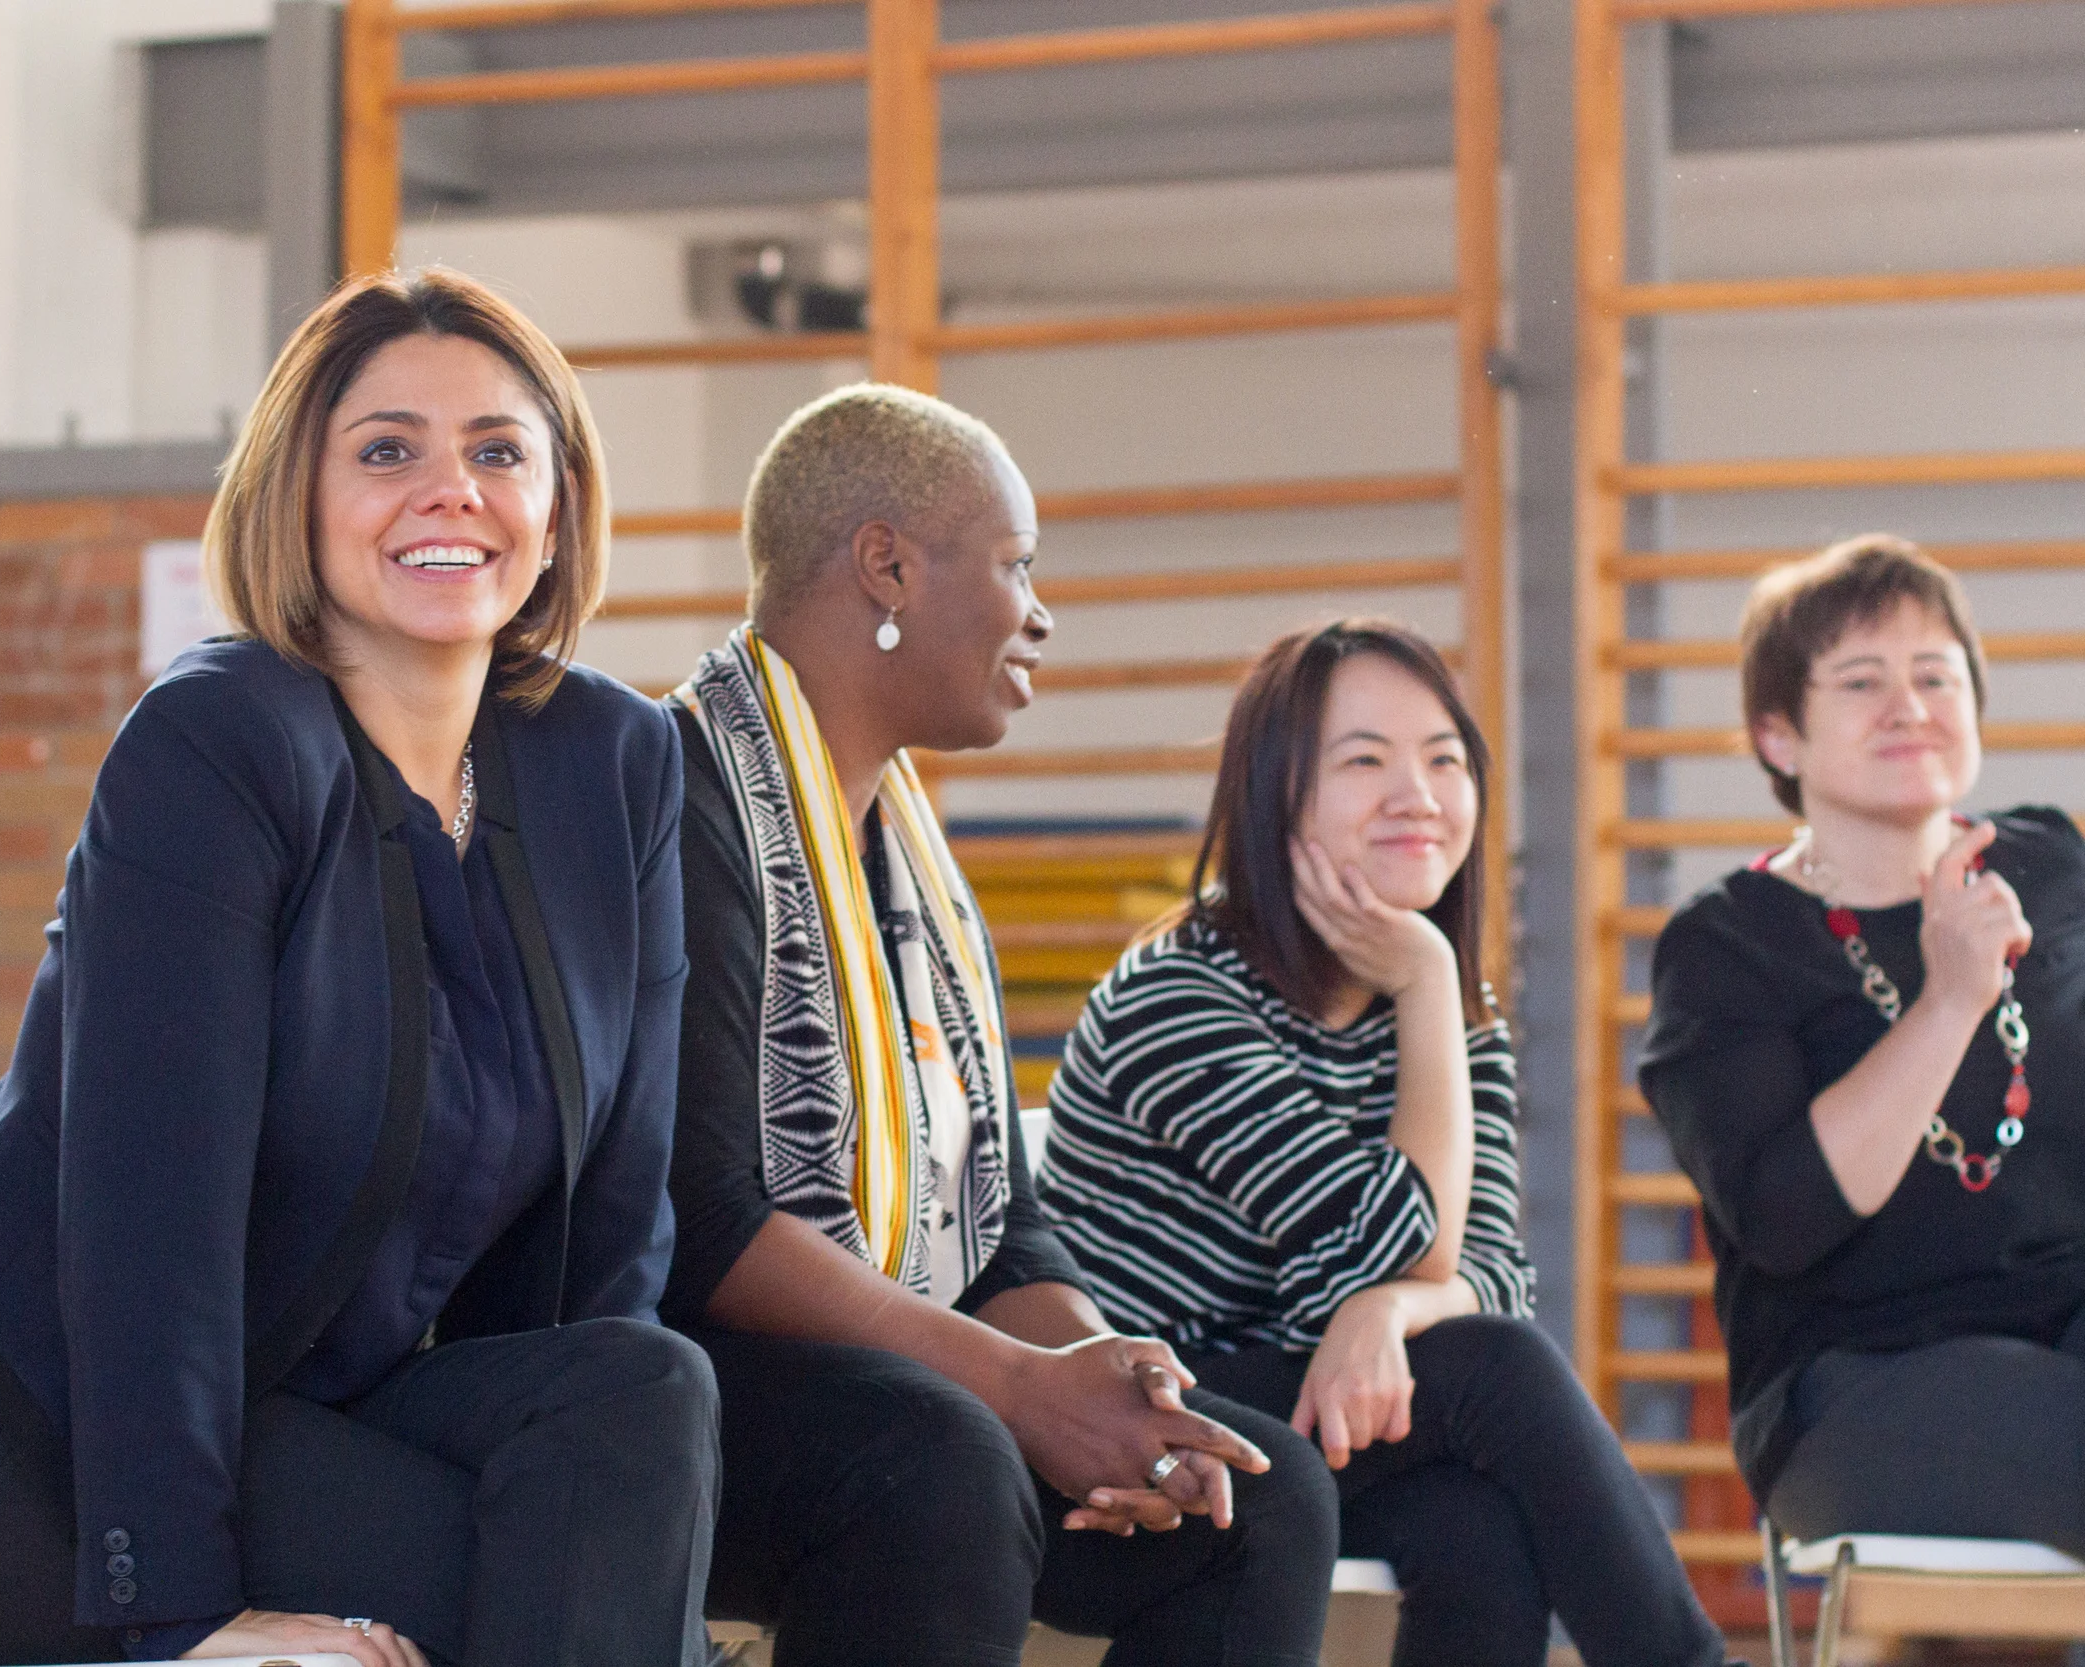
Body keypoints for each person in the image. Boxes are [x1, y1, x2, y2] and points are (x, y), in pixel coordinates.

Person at [0, 269, 718, 1667]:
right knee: (541, 1592)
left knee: (639, 1392)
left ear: (557, 512)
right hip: (43, 1429)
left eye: (499, 450)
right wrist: (190, 1615)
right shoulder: (219, 741)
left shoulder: (619, 761)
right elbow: (143, 1212)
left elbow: (612, 1225)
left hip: (299, 1411)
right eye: (386, 451)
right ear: (296, 502)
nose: (451, 489)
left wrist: (608, 1509)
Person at [663, 383, 1339, 1667]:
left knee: (1260, 1496)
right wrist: (1016, 1388)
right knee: (944, 1457)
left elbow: (999, 1220)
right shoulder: (675, 796)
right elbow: (700, 1215)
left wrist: (1098, 1376)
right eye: (1017, 564)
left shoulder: (912, 851)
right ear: (889, 564)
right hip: (689, 1379)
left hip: (900, 1377)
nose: (1039, 613)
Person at [1040, 620, 1729, 1667]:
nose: (1419, 792)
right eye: (1364, 759)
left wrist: (1389, 1311)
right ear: (1277, 797)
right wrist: (1419, 983)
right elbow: (1401, 1258)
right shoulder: (1176, 998)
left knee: (1478, 1527)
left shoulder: (1452, 1007)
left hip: (1304, 1431)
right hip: (1130, 1441)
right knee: (1487, 1372)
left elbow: (1491, 1272)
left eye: (1444, 758)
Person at [1643, 534, 2085, 1551]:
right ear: (1777, 736)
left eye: (1934, 674)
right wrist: (1949, 999)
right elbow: (1786, 1218)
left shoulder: (2051, 864)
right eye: (1859, 680)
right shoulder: (1726, 940)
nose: (1908, 704)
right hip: (1853, 1384)